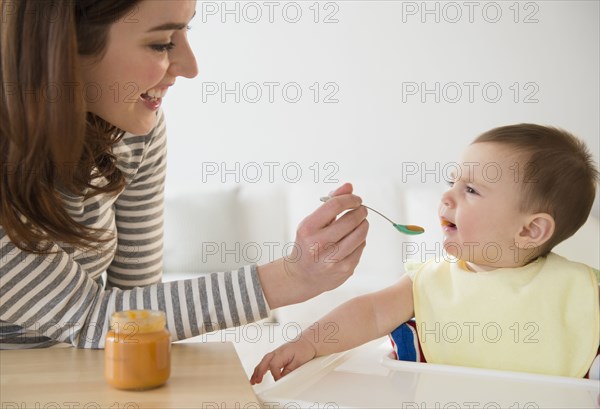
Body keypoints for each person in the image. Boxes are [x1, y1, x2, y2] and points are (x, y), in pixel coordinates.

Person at [0, 0, 369, 348]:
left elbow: (136, 309)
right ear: (63, 47)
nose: (191, 67)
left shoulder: (132, 132)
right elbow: (90, 319)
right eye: (161, 44)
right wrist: (292, 276)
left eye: (185, 33)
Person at [251, 124, 600, 384]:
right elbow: (369, 313)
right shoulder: (430, 280)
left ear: (529, 230)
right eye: (452, 182)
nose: (446, 197)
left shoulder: (584, 291)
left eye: (472, 190)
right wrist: (309, 342)